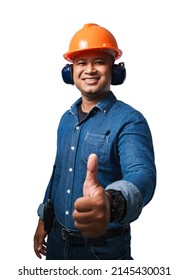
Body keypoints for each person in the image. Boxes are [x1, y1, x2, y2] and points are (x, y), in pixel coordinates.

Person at [34, 23, 156, 260]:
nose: (90, 69)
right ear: (70, 72)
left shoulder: (130, 120)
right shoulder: (66, 119)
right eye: (81, 62)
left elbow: (142, 173)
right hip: (58, 240)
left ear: (115, 71)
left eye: (99, 61)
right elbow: (58, 173)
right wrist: (43, 219)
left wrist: (112, 202)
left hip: (103, 250)